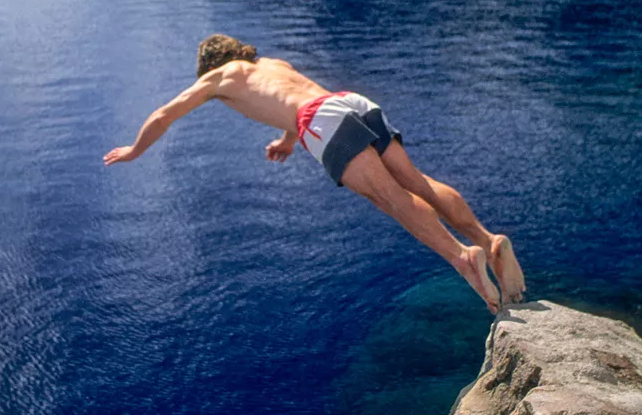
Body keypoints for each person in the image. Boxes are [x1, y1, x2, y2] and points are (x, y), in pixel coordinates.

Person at [103, 34, 524, 313]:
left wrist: (135, 150)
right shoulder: (272, 63)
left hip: (320, 121)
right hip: (350, 102)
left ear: (213, 63)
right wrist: (288, 140)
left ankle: (462, 258)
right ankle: (487, 240)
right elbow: (295, 100)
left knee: (392, 199)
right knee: (417, 181)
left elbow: (164, 115)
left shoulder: (220, 75)